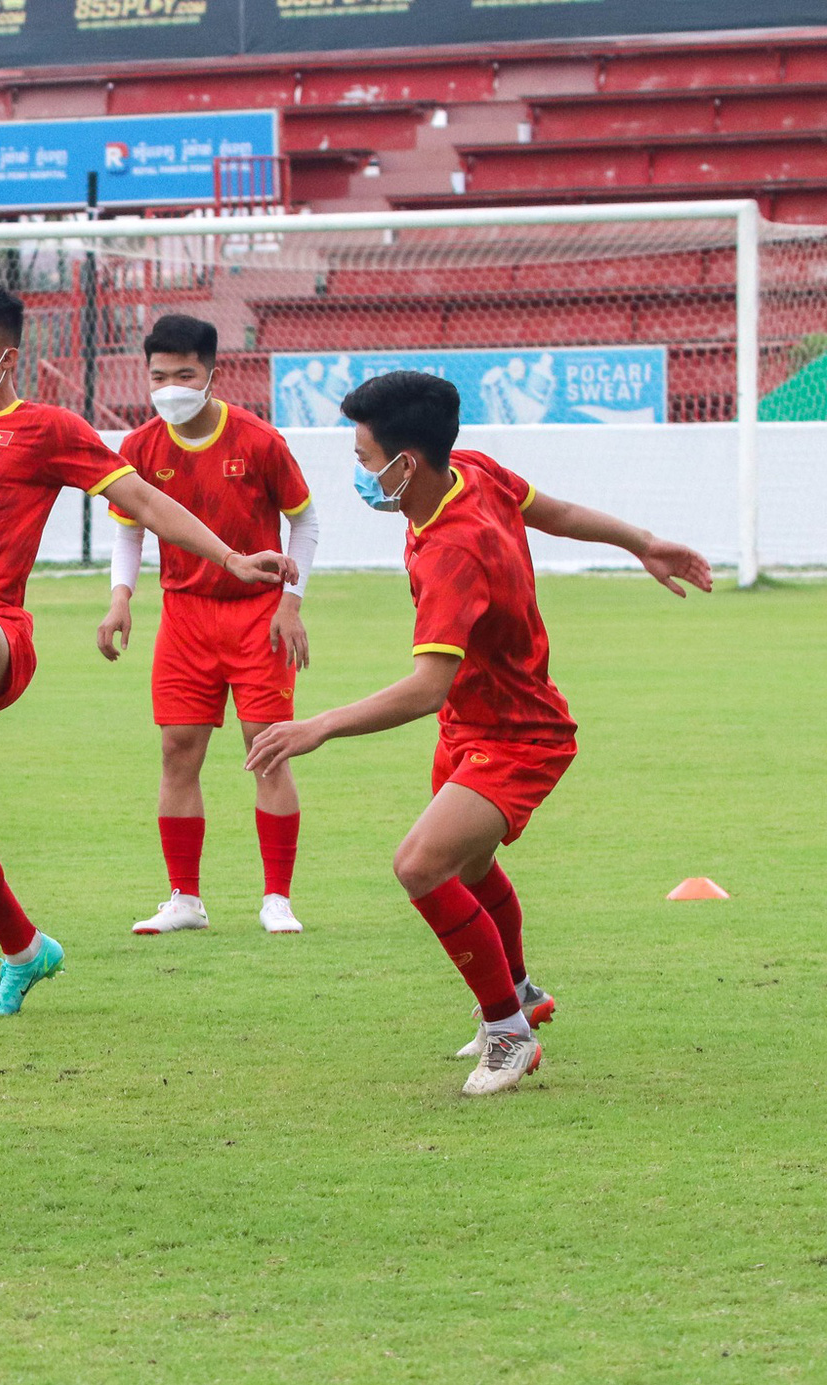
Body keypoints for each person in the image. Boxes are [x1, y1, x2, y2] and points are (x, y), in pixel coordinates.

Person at [243, 370, 711, 1096]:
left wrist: (320, 726)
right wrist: (641, 541)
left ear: (408, 464)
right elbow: (553, 512)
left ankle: (508, 1033)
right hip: (474, 723)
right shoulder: (474, 473)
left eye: (366, 460)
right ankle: (519, 994)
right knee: (466, 866)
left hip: (519, 735)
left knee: (418, 866)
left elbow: (428, 686)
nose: (360, 474)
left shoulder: (451, 550)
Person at [0, 286, 296, 1020]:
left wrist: (233, 557)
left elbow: (144, 503)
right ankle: (25, 950)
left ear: (8, 356)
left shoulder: (45, 428)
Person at [98, 315, 321, 937]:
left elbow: (305, 522)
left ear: (212, 376)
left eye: (184, 375)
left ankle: (277, 897)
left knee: (268, 749)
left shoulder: (258, 439)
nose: (170, 387)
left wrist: (290, 601)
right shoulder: (140, 445)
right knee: (177, 752)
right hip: (184, 617)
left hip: (257, 619)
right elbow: (129, 529)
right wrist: (121, 599)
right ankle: (184, 899)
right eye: (158, 375)